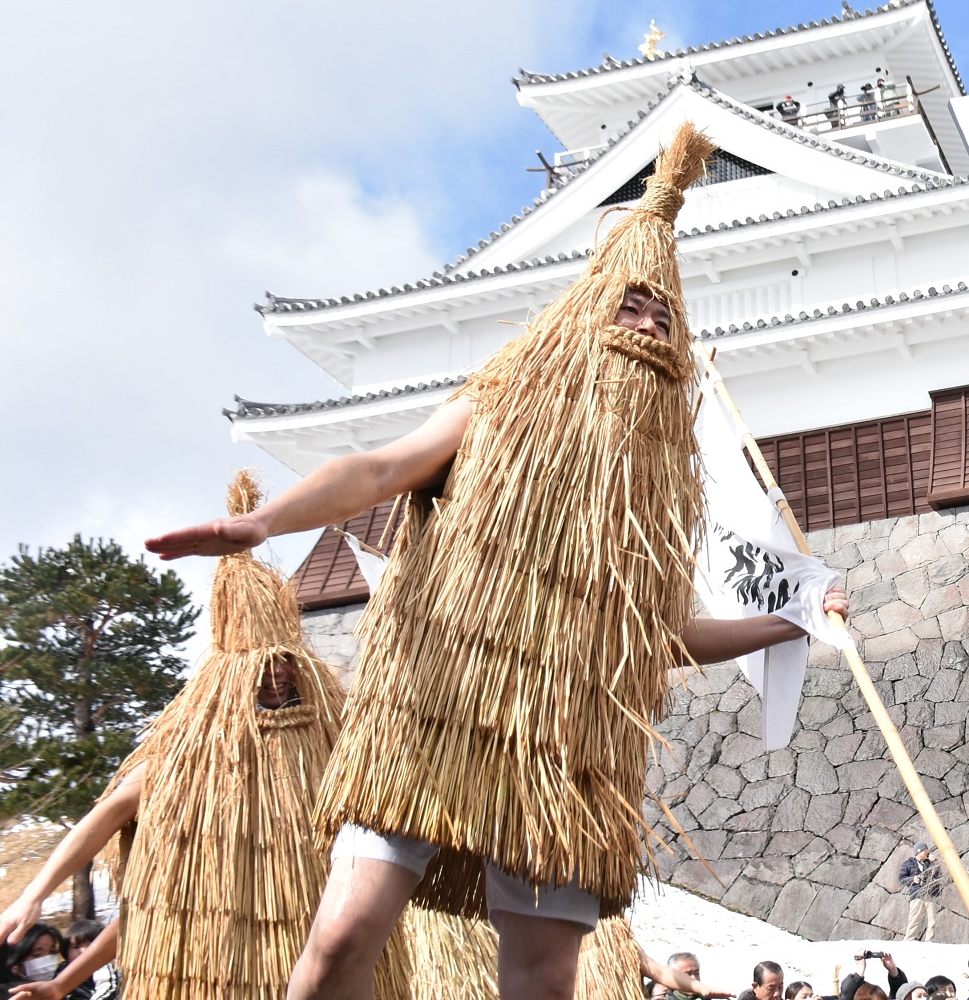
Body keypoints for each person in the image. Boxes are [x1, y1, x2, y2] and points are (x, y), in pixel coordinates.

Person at [147, 126, 848, 1000]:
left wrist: (791, 619)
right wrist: (264, 524)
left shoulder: (658, 491)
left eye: (662, 319)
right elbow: (378, 470)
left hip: (566, 744)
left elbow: (663, 633)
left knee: (544, 982)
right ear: (587, 315)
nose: (646, 327)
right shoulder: (495, 413)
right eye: (631, 307)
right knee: (339, 940)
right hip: (435, 709)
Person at [5, 473, 406, 1000]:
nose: (277, 676)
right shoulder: (186, 764)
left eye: (284, 663)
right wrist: (39, 906)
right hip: (215, 979)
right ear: (230, 678)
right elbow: (147, 897)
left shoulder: (335, 748)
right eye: (262, 668)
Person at [899, 844, 942, 942]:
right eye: (925, 850)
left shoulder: (929, 863)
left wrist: (935, 862)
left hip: (929, 893)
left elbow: (938, 875)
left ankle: (930, 940)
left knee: (932, 918)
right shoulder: (908, 864)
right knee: (914, 917)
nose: (927, 852)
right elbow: (901, 878)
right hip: (916, 893)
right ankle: (909, 939)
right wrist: (913, 879)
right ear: (919, 851)